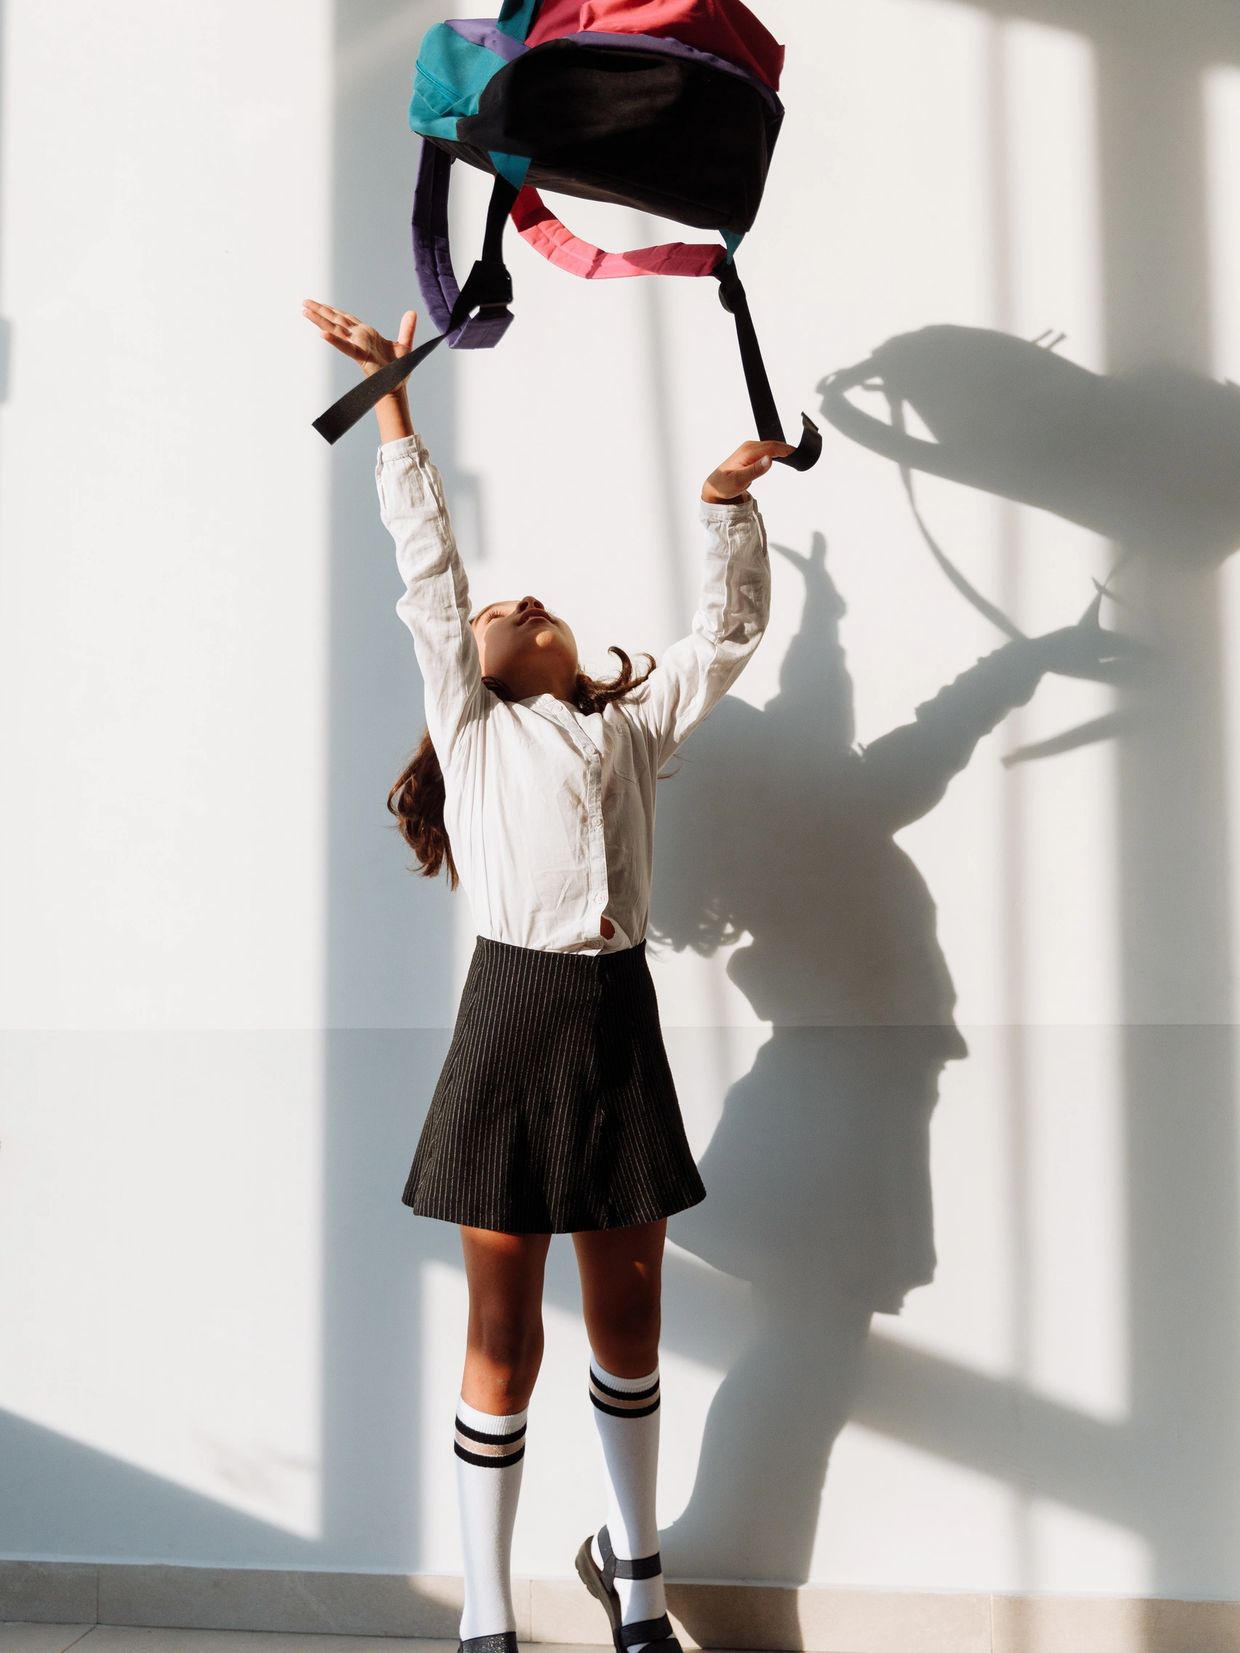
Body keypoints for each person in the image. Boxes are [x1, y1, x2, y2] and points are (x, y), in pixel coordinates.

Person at [302, 299, 791, 1653]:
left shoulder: (635, 725)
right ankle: (488, 1614)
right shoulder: (471, 725)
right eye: (499, 608)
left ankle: (635, 1588)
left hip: (613, 1015)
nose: (515, 602)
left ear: (572, 655)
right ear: (474, 665)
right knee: (503, 1329)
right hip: (511, 1017)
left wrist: (725, 502)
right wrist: (395, 400)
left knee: (627, 1320)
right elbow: (430, 567)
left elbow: (731, 633)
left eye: (537, 602)